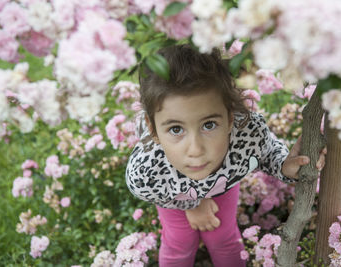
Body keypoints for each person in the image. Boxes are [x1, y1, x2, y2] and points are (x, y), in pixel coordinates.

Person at [126, 44, 325, 267]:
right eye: (175, 129)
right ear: (154, 130)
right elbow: (150, 191)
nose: (196, 149)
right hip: (174, 192)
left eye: (209, 125)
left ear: (230, 118)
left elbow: (267, 151)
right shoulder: (148, 170)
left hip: (222, 180)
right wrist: (192, 205)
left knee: (223, 236)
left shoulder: (245, 136)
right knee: (179, 241)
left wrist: (284, 165)